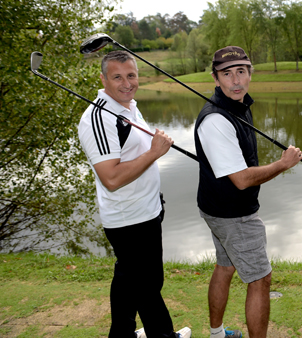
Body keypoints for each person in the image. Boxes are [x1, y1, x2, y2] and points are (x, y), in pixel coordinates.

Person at [77, 50, 190, 338]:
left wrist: (151, 148)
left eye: (131, 76)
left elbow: (131, 152)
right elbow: (112, 178)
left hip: (147, 210)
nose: (127, 83)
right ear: (103, 79)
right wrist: (154, 153)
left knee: (129, 282)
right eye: (117, 77)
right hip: (129, 219)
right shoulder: (98, 118)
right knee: (148, 287)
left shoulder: (127, 106)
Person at [194, 46, 302, 338]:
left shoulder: (237, 106)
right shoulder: (216, 119)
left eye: (241, 72)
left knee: (225, 266)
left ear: (249, 74)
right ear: (216, 79)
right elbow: (242, 179)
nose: (236, 80)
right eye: (227, 74)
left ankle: (217, 335)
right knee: (260, 279)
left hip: (217, 207)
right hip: (233, 214)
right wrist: (282, 164)